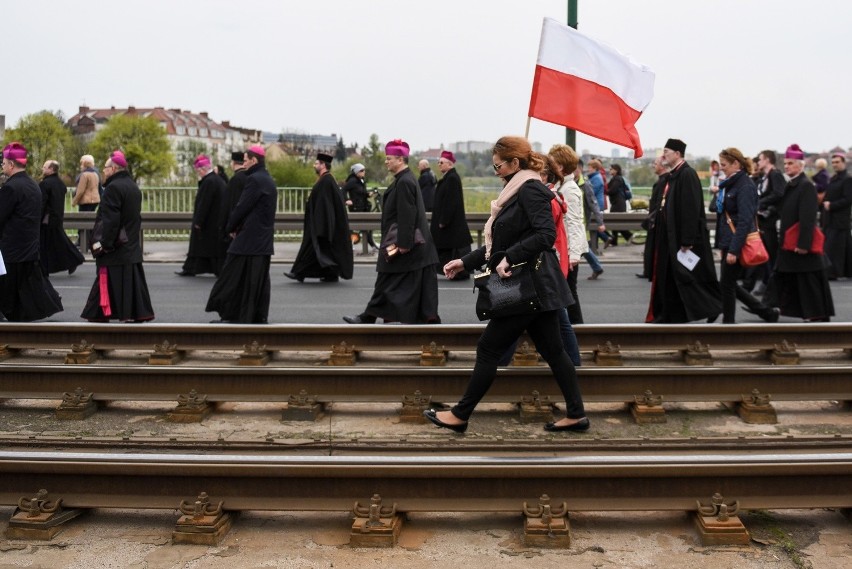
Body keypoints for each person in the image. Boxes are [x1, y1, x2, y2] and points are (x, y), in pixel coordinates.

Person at [424, 136, 587, 434]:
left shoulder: (529, 189)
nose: (495, 170)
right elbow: (500, 243)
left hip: (528, 285)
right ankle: (576, 414)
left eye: (499, 165)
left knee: (488, 349)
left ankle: (460, 414)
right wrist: (465, 261)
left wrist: (511, 257)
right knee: (553, 351)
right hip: (535, 286)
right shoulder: (515, 188)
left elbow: (545, 235)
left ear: (515, 162)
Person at [343, 139, 440, 324]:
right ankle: (371, 315)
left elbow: (407, 215)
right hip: (411, 245)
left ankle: (372, 316)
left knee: (390, 279)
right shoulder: (405, 179)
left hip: (406, 244)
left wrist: (403, 244)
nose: (386, 162)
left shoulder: (404, 182)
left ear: (400, 159)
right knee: (393, 280)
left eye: (389, 158)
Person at [645, 138, 721, 323]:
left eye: (667, 152)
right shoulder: (673, 175)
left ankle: (712, 307)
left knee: (692, 279)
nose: (663, 156)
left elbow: (691, 209)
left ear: (678, 154)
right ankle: (669, 314)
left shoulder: (687, 174)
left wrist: (687, 240)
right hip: (670, 238)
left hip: (683, 240)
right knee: (671, 279)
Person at [80, 150, 154, 323]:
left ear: (113, 169)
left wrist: (104, 245)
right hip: (130, 244)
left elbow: (110, 221)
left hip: (116, 247)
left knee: (106, 280)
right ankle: (130, 313)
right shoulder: (133, 186)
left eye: (105, 168)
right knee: (129, 284)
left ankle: (101, 314)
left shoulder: (113, 188)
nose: (103, 171)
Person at [206, 145, 277, 324]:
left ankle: (230, 314)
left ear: (254, 160)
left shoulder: (253, 179)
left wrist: (230, 227)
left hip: (247, 240)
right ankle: (255, 316)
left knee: (231, 277)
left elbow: (241, 207)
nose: (243, 163)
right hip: (262, 241)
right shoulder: (268, 179)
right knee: (255, 281)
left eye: (245, 160)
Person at [765, 144, 834, 322]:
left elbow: (808, 219)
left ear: (800, 166)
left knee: (808, 282)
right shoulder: (793, 185)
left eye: (789, 163)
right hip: (789, 243)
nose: (786, 166)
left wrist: (803, 244)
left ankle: (815, 316)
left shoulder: (805, 186)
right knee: (785, 278)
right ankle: (767, 308)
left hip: (799, 244)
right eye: (785, 163)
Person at [714, 148, 779, 324]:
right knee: (729, 283)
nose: (722, 168)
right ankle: (766, 313)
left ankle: (728, 323)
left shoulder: (745, 186)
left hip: (737, 243)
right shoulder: (730, 183)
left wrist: (733, 250)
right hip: (729, 241)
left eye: (724, 165)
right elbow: (719, 211)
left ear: (736, 164)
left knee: (727, 284)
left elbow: (744, 220)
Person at [0, 142, 63, 321]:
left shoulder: (11, 187)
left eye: (4, 163)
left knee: (10, 291)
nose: (2, 166)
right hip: (29, 246)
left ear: (11, 164)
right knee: (26, 289)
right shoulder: (33, 185)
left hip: (10, 249)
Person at [285, 152, 354, 282]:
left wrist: (320, 225)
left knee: (312, 249)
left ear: (323, 165)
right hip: (321, 223)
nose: (314, 165)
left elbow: (325, 205)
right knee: (322, 251)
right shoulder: (327, 179)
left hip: (320, 224)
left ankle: (299, 273)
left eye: (316, 163)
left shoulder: (326, 180)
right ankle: (330, 274)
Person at [549, 144, 587, 324]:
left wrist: (573, 254)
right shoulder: (562, 185)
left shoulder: (569, 189)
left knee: (569, 292)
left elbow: (574, 222)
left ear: (561, 167)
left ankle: (576, 329)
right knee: (566, 292)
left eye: (552, 163)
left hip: (567, 250)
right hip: (564, 248)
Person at [176, 155, 227, 277]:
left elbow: (204, 204)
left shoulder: (209, 181)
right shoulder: (216, 179)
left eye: (197, 171)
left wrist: (198, 221)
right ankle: (191, 268)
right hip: (215, 221)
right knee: (206, 248)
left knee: (201, 247)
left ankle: (192, 268)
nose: (197, 173)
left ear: (201, 169)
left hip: (208, 222)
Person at [430, 150, 472, 280]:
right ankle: (453, 270)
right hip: (448, 224)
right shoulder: (449, 177)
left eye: (441, 162)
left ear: (449, 164)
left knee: (451, 248)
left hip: (450, 224)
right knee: (448, 249)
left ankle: (457, 271)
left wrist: (444, 220)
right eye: (438, 162)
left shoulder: (452, 178)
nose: (439, 164)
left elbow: (451, 201)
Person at [38, 159, 85, 275]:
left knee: (48, 244)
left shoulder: (45, 184)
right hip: (57, 217)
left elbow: (42, 203)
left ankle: (47, 267)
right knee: (59, 242)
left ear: (51, 169)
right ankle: (71, 260)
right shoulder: (60, 183)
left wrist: (37, 217)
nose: (43, 169)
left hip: (46, 219)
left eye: (45, 167)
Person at [751, 149, 788, 295]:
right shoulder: (765, 177)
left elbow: (779, 193)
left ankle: (771, 285)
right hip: (764, 220)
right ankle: (767, 283)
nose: (758, 162)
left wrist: (761, 203)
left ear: (767, 160)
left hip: (770, 220)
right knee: (765, 253)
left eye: (760, 159)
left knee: (770, 254)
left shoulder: (775, 175)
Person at [638, 157, 669, 279]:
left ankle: (650, 271)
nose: (653, 166)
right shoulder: (663, 180)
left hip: (656, 219)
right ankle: (649, 271)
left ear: (662, 166)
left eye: (655, 164)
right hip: (655, 218)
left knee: (653, 246)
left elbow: (659, 203)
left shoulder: (664, 181)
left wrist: (653, 217)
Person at [822, 153, 852, 279]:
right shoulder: (834, 178)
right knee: (841, 247)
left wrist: (831, 205)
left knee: (834, 248)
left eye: (837, 162)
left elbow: (848, 199)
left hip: (840, 219)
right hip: (831, 219)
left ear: (843, 163)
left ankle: (833, 272)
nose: (834, 164)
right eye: (833, 162)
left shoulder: (847, 179)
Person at [576, 161, 606, 280]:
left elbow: (593, 204)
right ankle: (597, 267)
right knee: (581, 246)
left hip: (581, 221)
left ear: (579, 169)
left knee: (580, 245)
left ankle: (597, 267)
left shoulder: (586, 184)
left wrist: (600, 222)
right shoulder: (572, 182)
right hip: (575, 220)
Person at [342, 162, 378, 252]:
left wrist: (368, 194)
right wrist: (346, 200)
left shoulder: (361, 180)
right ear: (356, 172)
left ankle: (371, 245)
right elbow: (343, 190)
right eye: (361, 170)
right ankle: (372, 245)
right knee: (363, 227)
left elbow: (361, 193)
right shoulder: (352, 181)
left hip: (363, 206)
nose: (363, 172)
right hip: (356, 207)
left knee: (364, 227)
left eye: (364, 170)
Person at [220, 151, 248, 260]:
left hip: (235, 225)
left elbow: (232, 204)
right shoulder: (248, 176)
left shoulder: (236, 179)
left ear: (233, 163)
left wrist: (231, 226)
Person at [72, 154, 101, 247]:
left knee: (82, 222)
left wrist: (74, 201)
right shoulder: (95, 174)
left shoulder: (84, 175)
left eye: (81, 164)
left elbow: (80, 191)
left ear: (84, 164)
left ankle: (82, 241)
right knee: (91, 222)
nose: (80, 166)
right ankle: (90, 241)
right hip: (95, 200)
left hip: (86, 201)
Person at [585, 158, 612, 249]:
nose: (588, 169)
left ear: (594, 168)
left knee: (595, 224)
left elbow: (591, 193)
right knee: (595, 224)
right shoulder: (596, 177)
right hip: (598, 203)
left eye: (590, 167)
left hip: (597, 204)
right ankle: (597, 243)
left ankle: (605, 238)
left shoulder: (596, 178)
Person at [606, 163, 633, 245]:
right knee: (615, 222)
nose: (610, 170)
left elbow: (612, 190)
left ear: (616, 170)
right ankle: (619, 239)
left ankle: (628, 235)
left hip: (618, 204)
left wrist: (605, 191)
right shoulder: (616, 178)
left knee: (615, 222)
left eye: (611, 169)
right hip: (617, 203)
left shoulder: (617, 179)